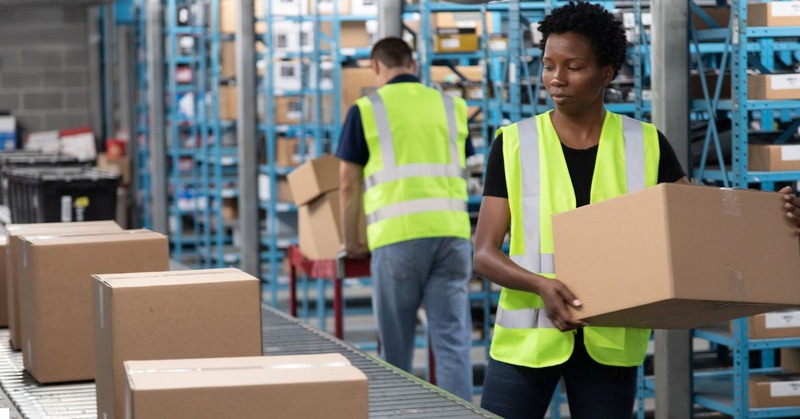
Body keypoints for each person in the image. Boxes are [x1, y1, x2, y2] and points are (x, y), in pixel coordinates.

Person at [473, 3, 690, 418]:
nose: (556, 79)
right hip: (527, 343)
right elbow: (484, 254)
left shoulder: (646, 144)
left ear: (606, 73)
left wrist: (777, 220)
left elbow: (696, 226)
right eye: (548, 65)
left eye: (573, 67)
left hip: (609, 342)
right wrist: (541, 285)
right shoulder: (515, 143)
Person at [335, 37, 475, 401]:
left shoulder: (366, 109)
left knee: (395, 349)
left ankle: (399, 411)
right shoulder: (452, 105)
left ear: (376, 66)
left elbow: (348, 185)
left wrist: (352, 242)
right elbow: (467, 165)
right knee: (452, 341)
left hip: (398, 239)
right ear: (414, 65)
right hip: (453, 236)